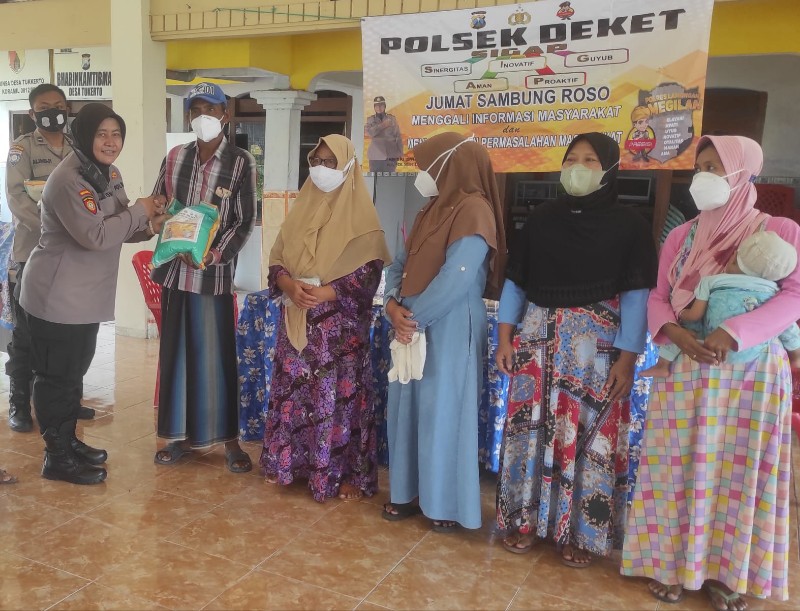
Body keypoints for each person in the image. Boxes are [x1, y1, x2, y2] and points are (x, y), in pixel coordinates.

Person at [621, 135, 799, 610]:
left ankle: (727, 574)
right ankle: (670, 565)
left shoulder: (779, 230)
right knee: (676, 468)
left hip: (751, 374)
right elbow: (659, 296)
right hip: (686, 366)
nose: (704, 176)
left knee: (738, 474)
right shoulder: (681, 236)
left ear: (745, 172)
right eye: (700, 167)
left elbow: (795, 295)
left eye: (715, 167)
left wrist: (734, 331)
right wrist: (674, 333)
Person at [494, 132, 658, 564]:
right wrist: (504, 337)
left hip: (595, 356)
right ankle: (525, 522)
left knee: (590, 439)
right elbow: (516, 282)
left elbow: (637, 297)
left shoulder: (631, 226)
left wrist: (628, 358)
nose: (577, 167)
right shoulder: (542, 219)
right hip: (536, 345)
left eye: (589, 160)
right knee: (530, 433)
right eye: (571, 159)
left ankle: (579, 533)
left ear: (609, 169)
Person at [19, 103, 164, 484]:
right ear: (84, 135)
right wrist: (140, 209)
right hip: (57, 297)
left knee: (73, 375)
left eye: (116, 134)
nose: (110, 142)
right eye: (102, 134)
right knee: (56, 378)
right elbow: (96, 235)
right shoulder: (69, 180)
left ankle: (68, 441)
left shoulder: (107, 173)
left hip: (83, 299)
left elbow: (118, 225)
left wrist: (150, 224)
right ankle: (56, 457)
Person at [381, 132, 506, 532]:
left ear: (450, 166)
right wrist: (392, 307)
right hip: (412, 322)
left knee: (443, 411)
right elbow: (397, 265)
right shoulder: (429, 210)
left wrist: (411, 318)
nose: (422, 175)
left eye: (427, 167)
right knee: (407, 409)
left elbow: (457, 277)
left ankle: (443, 504)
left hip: (448, 324)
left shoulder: (475, 211)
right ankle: (407, 493)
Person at [260, 134, 391, 502]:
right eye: (315, 161)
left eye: (330, 162)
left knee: (338, 401)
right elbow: (277, 258)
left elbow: (369, 274)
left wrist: (326, 292)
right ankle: (290, 465)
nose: (320, 169)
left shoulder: (364, 220)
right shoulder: (301, 210)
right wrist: (288, 284)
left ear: (348, 167)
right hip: (297, 321)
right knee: (295, 394)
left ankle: (344, 474)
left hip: (339, 333)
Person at [152, 83, 257, 473]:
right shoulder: (175, 157)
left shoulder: (240, 162)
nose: (203, 117)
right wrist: (162, 221)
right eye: (195, 110)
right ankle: (179, 437)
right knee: (176, 358)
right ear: (188, 116)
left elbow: (244, 221)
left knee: (216, 360)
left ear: (225, 115)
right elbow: (159, 204)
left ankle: (230, 440)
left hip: (212, 278)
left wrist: (213, 254)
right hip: (175, 275)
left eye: (210, 110)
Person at [4, 84, 95, 432]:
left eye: (58, 105)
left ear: (67, 109)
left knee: (71, 331)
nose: (53, 112)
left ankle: (69, 399)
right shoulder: (22, 149)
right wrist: (53, 228)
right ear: (32, 113)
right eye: (44, 107)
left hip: (73, 258)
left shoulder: (78, 146)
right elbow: (16, 198)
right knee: (27, 337)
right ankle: (19, 404)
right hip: (34, 255)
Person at [642, 230, 800, 377]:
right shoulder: (773, 291)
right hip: (752, 353)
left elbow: (695, 314)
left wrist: (683, 314)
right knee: (784, 323)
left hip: (708, 348)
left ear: (734, 258)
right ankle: (796, 356)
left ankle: (663, 364)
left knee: (686, 328)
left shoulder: (711, 281)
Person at [364, 96, 403, 173]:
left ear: (385, 106)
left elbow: (398, 136)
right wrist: (383, 125)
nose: (379, 108)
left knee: (390, 178)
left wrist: (400, 152)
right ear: (374, 107)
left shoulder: (392, 119)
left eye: (381, 105)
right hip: (375, 156)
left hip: (391, 155)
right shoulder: (370, 119)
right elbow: (369, 133)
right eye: (376, 106)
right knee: (375, 178)